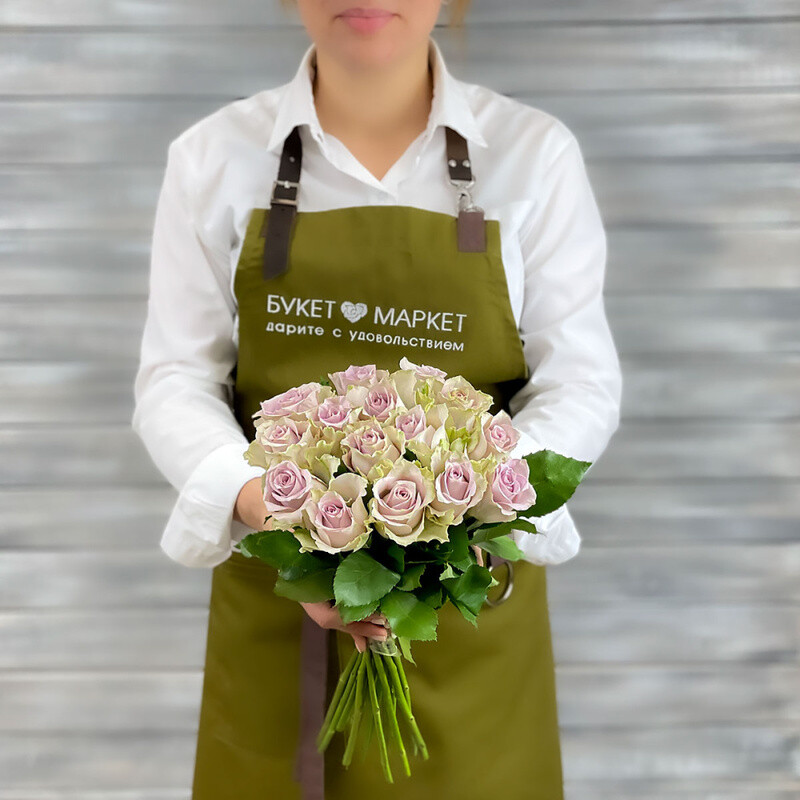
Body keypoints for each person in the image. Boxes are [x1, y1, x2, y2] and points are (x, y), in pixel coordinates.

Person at [131, 1, 622, 797]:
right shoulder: (212, 157)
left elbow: (581, 383)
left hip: (472, 611)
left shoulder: (534, 155)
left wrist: (463, 515)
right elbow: (175, 381)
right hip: (278, 611)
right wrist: (269, 507)